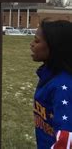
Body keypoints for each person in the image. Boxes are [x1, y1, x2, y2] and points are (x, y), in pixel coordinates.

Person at [31, 20, 72, 148]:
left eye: (37, 41)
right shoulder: (47, 75)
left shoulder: (63, 87)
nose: (31, 44)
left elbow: (66, 139)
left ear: (54, 46)